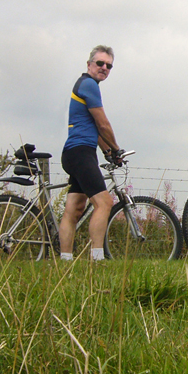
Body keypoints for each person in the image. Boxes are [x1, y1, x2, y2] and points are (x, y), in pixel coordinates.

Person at [59, 45, 124, 261]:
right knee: (104, 203)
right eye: (100, 63)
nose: (104, 68)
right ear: (89, 64)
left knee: (74, 209)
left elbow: (93, 130)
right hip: (81, 154)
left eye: (109, 66)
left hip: (74, 153)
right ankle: (97, 259)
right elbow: (103, 124)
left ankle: (65, 260)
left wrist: (107, 151)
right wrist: (116, 149)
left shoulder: (85, 85)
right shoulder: (89, 84)